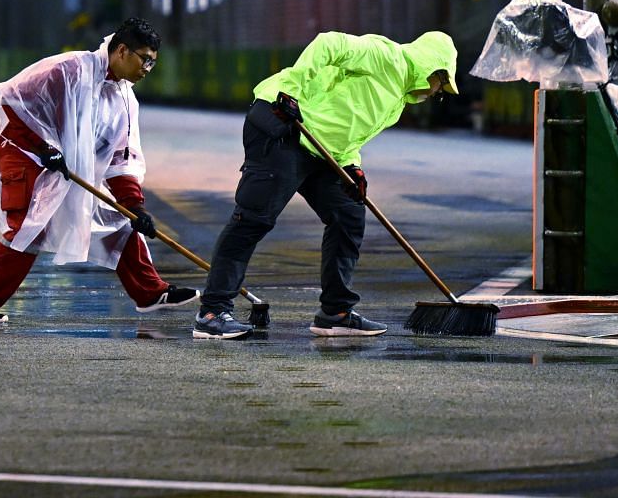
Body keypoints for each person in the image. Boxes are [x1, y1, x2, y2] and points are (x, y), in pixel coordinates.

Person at [193, 29, 458, 340]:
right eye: (442, 85)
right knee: (254, 217)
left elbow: (347, 133)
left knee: (348, 215)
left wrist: (352, 167)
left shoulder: (398, 101)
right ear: (434, 69)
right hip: (283, 122)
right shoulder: (386, 56)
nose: (437, 93)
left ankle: (336, 312)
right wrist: (290, 90)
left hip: (317, 145)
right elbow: (328, 43)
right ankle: (212, 312)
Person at [0, 18, 196, 325]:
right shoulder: (68, 69)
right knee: (30, 226)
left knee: (117, 218)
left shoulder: (124, 99)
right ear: (121, 50)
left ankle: (149, 292)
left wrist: (134, 206)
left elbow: (120, 159)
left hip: (61, 162)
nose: (148, 68)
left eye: (153, 63)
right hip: (22, 151)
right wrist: (42, 148)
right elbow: (12, 102)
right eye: (144, 59)